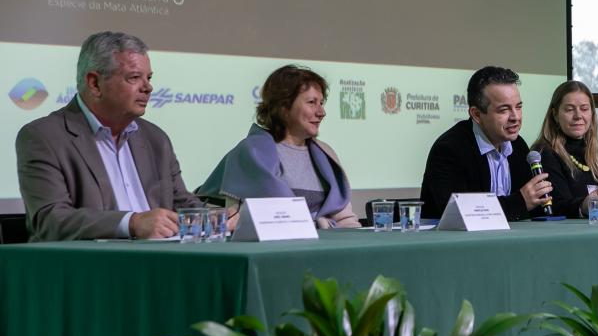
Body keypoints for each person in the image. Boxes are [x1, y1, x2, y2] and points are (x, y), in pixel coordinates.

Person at [15, 31, 202, 241]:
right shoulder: (44, 137)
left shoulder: (155, 138)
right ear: (95, 83)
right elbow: (50, 221)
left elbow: (184, 205)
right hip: (92, 266)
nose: (148, 87)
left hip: (162, 262)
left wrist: (225, 218)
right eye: (134, 77)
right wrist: (131, 223)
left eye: (148, 78)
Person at [197, 65, 359, 229]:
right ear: (284, 108)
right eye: (312, 102)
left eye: (321, 103)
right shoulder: (252, 152)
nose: (321, 112)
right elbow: (238, 220)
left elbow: (345, 220)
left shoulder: (326, 153)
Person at [420, 66, 552, 220]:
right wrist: (520, 201)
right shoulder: (450, 149)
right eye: (504, 110)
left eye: (518, 107)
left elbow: (531, 210)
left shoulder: (518, 146)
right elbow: (458, 212)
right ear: (476, 114)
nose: (515, 117)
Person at [532, 81, 598, 218]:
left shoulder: (594, 151)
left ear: (592, 114)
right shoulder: (545, 153)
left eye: (584, 108)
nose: (578, 116)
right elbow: (553, 207)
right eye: (569, 109)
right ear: (555, 115)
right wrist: (583, 205)